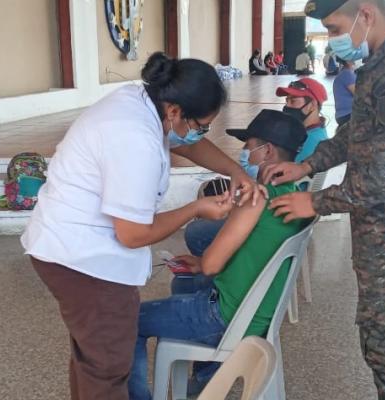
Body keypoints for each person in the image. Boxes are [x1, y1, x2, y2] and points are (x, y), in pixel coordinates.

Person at [21, 52, 261, 400]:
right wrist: (195, 208)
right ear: (175, 111)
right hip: (84, 259)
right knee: (106, 368)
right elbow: (133, 234)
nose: (200, 134)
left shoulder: (146, 100)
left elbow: (190, 145)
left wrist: (235, 172)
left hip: (68, 245)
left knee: (93, 358)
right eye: (200, 125)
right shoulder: (135, 138)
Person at [262, 1, 385, 399]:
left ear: (365, 13)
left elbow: (384, 178)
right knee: (381, 339)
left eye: (333, 27)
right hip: (381, 229)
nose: (332, 39)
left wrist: (315, 202)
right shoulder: (382, 61)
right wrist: (307, 166)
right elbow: (355, 133)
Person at [128, 110, 310, 400]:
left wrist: (228, 214)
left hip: (223, 316)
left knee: (127, 322)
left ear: (268, 152)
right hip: (257, 314)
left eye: (248, 147)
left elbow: (214, 264)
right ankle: (203, 382)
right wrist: (199, 264)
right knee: (187, 281)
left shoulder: (257, 197)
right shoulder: (295, 196)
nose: (243, 155)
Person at [181, 78, 329, 263]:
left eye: (293, 101)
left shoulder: (312, 142)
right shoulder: (308, 135)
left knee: (198, 229)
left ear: (312, 104)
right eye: (287, 101)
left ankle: (218, 269)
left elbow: (272, 181)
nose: (288, 106)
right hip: (274, 207)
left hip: (271, 210)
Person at [334, 57, 357, 126]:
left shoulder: (344, 73)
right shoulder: (347, 74)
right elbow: (358, 94)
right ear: (347, 61)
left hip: (343, 114)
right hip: (347, 114)